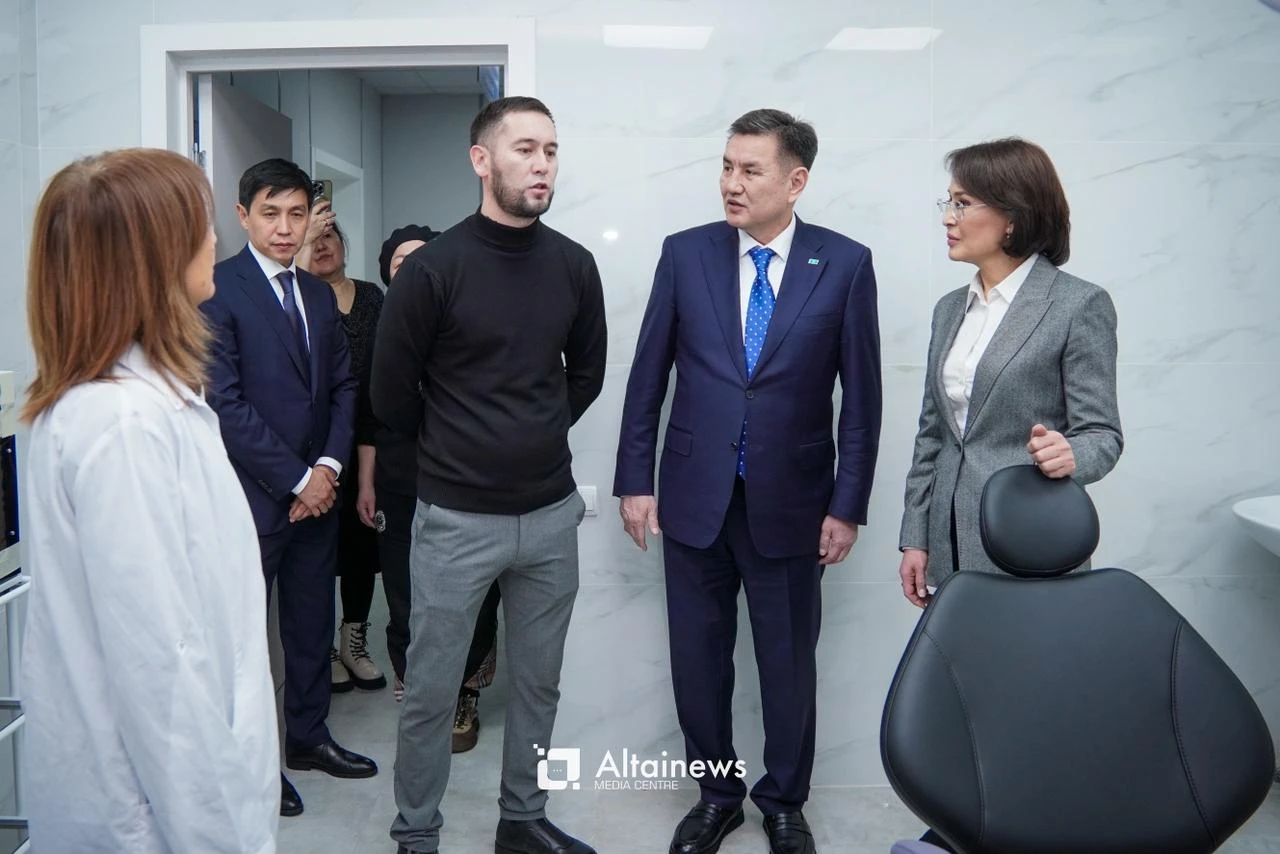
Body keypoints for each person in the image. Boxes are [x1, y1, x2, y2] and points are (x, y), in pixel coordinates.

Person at [614, 108, 882, 854]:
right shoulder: (686, 254)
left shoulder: (845, 263)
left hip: (795, 504)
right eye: (727, 166)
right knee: (698, 662)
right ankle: (716, 795)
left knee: (788, 664)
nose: (731, 183)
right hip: (693, 497)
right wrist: (635, 480)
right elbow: (647, 378)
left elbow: (862, 402)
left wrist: (848, 505)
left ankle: (785, 802)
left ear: (795, 182)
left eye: (750, 170)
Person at [20, 148, 278, 852]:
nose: (215, 239)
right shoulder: (124, 425)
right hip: (155, 818)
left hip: (163, 798)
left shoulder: (140, 404)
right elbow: (162, 668)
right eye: (200, 223)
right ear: (155, 256)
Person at [372, 95, 607, 854]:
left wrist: (528, 434)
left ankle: (523, 819)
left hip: (550, 516)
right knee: (431, 690)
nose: (542, 165)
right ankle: (416, 834)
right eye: (525, 149)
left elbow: (587, 374)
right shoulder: (433, 270)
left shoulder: (573, 265)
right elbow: (390, 395)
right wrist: (463, 448)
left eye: (551, 150)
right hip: (455, 520)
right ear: (482, 160)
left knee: (539, 684)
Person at [895, 138, 1122, 850]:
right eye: (949, 200)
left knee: (1031, 697)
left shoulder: (1077, 305)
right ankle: (964, 824)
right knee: (964, 695)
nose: (948, 216)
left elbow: (1103, 434)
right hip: (950, 539)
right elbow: (933, 433)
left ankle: (1036, 825)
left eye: (962, 202)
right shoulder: (948, 309)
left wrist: (1071, 454)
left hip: (1028, 540)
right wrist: (915, 535)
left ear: (1013, 216)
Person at [202, 157, 376, 819]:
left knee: (311, 626)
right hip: (252, 501)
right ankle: (252, 766)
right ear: (242, 216)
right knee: (246, 643)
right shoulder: (216, 289)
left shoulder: (318, 295)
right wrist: (300, 478)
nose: (284, 227)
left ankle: (308, 738)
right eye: (270, 213)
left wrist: (327, 469)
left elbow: (344, 388)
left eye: (296, 214)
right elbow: (224, 404)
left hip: (318, 500)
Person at [373, 223, 502, 752]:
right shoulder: (382, 325)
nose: (413, 270)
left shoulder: (471, 318)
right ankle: (418, 689)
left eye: (423, 259)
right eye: (400, 262)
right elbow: (372, 412)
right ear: (387, 274)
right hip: (399, 480)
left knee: (474, 593)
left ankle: (465, 691)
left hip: (466, 481)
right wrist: (367, 481)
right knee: (404, 590)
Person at [298, 213, 388, 694]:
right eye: (314, 239)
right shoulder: (298, 299)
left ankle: (354, 641)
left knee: (361, 543)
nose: (323, 245)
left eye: (330, 236)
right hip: (314, 446)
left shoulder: (372, 297)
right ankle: (325, 650)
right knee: (318, 548)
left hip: (367, 437)